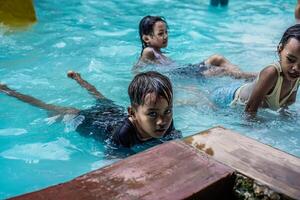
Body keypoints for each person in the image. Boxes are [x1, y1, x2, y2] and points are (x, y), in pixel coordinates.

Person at [0, 71, 181, 150]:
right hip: (91, 121)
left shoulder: (166, 121)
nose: (162, 121)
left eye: (167, 111)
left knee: (101, 98)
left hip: (113, 113)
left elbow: (176, 140)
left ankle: (79, 79)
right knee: (57, 110)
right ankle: (10, 91)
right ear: (132, 113)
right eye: (152, 114)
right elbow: (112, 162)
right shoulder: (124, 133)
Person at [213, 24, 300, 116]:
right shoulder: (271, 73)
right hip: (226, 97)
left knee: (247, 78)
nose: (296, 68)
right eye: (291, 60)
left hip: (246, 88)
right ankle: (217, 62)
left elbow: (286, 104)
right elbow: (249, 111)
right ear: (280, 49)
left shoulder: (296, 76)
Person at [134, 15, 256, 80]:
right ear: (146, 39)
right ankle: (249, 77)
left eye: (166, 32)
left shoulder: (158, 53)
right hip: (186, 75)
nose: (165, 36)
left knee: (216, 58)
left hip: (188, 70)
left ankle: (241, 75)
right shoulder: (149, 51)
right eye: (161, 34)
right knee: (222, 71)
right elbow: (138, 68)